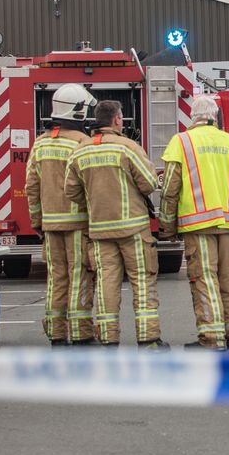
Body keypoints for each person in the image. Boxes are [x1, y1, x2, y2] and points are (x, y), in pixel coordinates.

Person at [64, 100, 167, 350]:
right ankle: (148, 340)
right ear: (117, 120)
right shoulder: (128, 148)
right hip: (134, 229)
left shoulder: (80, 151)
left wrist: (95, 204)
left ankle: (109, 340)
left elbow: (71, 191)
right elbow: (149, 183)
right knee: (142, 282)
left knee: (106, 285)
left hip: (99, 231)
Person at [159, 96, 229, 351]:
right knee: (227, 279)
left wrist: (167, 226)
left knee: (204, 279)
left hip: (198, 225)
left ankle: (211, 339)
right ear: (215, 116)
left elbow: (170, 188)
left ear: (193, 116)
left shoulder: (181, 142)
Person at [26, 84, 97, 347]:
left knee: (56, 278)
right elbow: (90, 186)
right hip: (78, 224)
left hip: (50, 225)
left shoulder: (40, 143)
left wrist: (37, 221)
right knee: (79, 276)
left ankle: (57, 333)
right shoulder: (82, 143)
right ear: (79, 111)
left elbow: (31, 187)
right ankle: (81, 333)